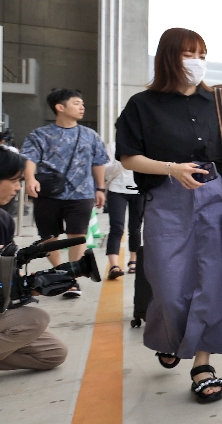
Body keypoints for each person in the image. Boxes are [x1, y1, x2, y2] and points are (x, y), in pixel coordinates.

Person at [116, 28, 222, 403]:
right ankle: (171, 337)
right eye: (188, 54)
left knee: (212, 282)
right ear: (168, 58)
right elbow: (128, 157)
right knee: (168, 284)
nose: (197, 62)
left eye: (202, 55)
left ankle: (202, 365)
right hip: (165, 197)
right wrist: (171, 168)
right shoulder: (142, 105)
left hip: (213, 197)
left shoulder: (219, 101)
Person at [21, 88, 109, 299]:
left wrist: (100, 188)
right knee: (49, 237)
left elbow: (98, 163)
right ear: (60, 107)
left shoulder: (90, 135)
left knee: (77, 236)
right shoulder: (39, 135)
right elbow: (29, 158)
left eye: (82, 103)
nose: (82, 107)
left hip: (82, 194)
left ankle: (70, 279)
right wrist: (30, 178)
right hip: (48, 194)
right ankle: (60, 273)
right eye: (76, 103)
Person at [0, 148, 68, 372]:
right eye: (14, 180)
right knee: (35, 319)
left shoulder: (4, 220)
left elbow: (8, 272)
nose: (18, 187)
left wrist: (30, 287)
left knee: (53, 354)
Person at [102, 141, 142, 279]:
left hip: (139, 190)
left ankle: (133, 260)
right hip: (116, 189)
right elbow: (105, 170)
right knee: (116, 227)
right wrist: (122, 161)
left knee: (135, 228)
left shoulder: (141, 144)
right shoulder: (113, 146)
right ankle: (114, 265)